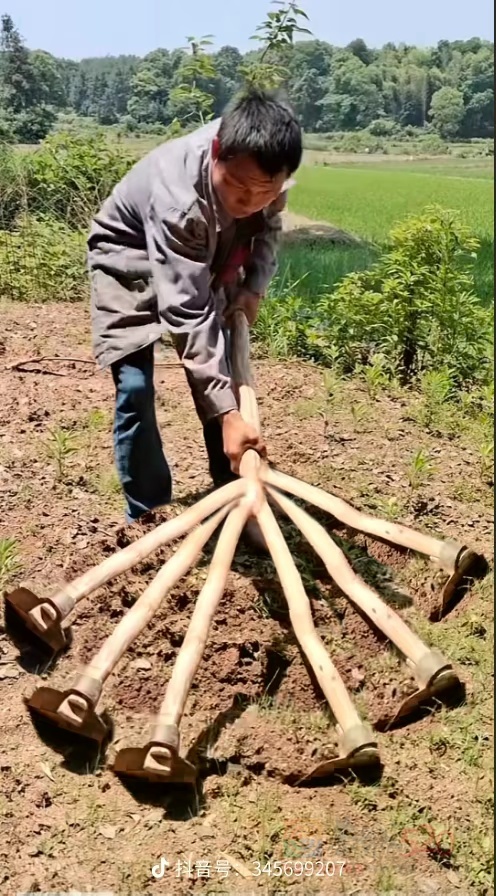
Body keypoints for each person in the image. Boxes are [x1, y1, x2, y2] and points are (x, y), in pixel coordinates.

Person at [87, 87, 303, 545]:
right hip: (127, 254)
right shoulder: (179, 197)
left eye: (265, 190)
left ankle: (233, 496)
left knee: (220, 371)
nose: (250, 199)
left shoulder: (265, 181)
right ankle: (149, 513)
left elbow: (267, 227)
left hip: (210, 247)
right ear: (216, 156)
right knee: (136, 386)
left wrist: (253, 289)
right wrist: (227, 411)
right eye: (239, 187)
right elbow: (186, 309)